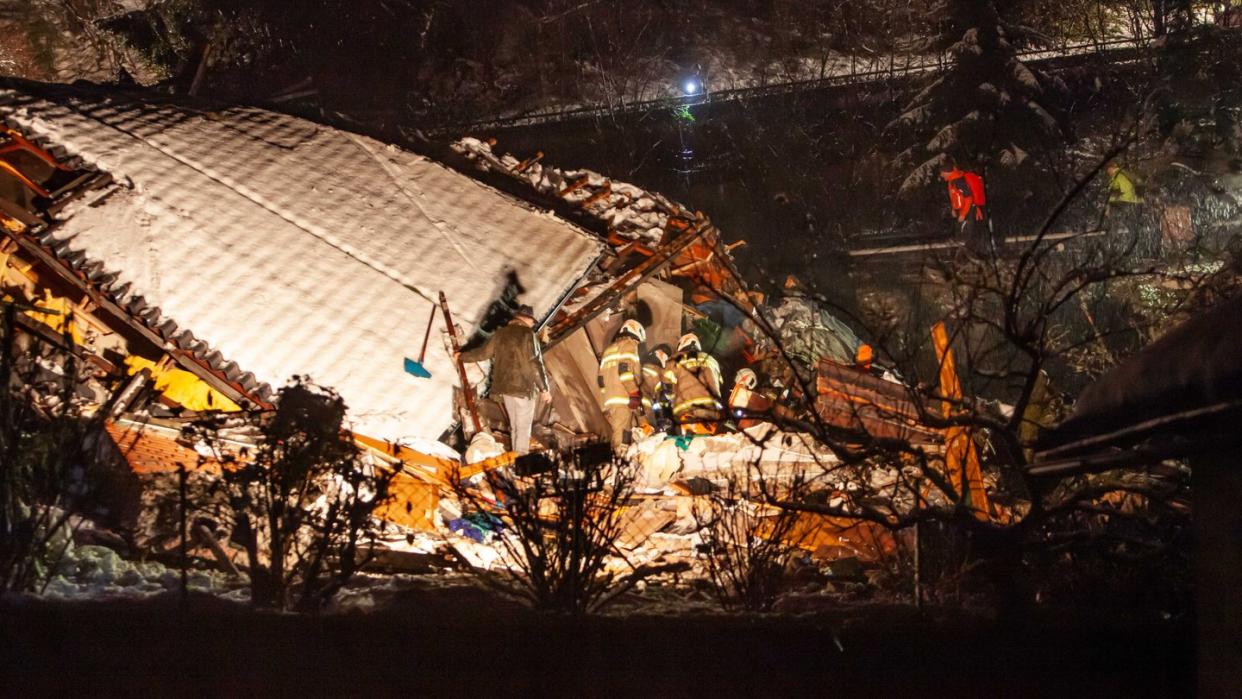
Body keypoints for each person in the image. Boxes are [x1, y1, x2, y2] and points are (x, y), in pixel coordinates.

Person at [456, 304, 549, 455]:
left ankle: (515, 457)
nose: (533, 324)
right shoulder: (528, 335)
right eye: (532, 321)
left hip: (505, 389)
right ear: (525, 319)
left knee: (514, 426)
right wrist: (544, 389)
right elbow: (534, 363)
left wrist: (461, 356)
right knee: (523, 427)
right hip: (524, 389)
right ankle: (521, 459)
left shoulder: (501, 334)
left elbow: (482, 353)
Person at [597, 319, 646, 452]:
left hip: (608, 401)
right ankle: (619, 463)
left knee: (622, 432)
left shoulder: (609, 349)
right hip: (623, 398)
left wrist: (608, 395)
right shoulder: (629, 345)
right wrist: (634, 392)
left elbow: (600, 380)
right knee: (622, 438)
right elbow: (624, 371)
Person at [668, 332, 724, 435]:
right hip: (711, 409)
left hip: (686, 410)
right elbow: (720, 382)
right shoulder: (711, 360)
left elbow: (668, 385)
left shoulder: (676, 360)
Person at [941, 165, 993, 254]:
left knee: (966, 235)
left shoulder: (958, 181)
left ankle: (968, 254)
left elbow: (968, 198)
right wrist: (954, 209)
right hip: (961, 210)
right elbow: (956, 197)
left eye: (942, 173)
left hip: (968, 210)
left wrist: (963, 214)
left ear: (946, 172)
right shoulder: (952, 180)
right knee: (962, 233)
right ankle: (964, 254)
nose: (941, 175)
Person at [641, 343, 674, 433]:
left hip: (644, 407)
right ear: (661, 353)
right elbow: (658, 389)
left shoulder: (646, 364)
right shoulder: (652, 366)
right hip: (645, 408)